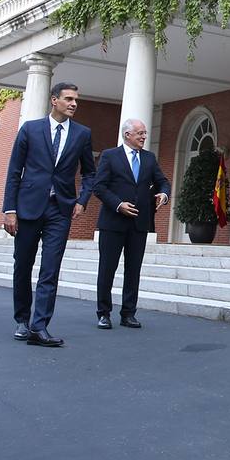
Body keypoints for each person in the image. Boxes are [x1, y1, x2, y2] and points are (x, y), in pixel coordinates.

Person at [2, 81, 95, 348]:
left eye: (76, 100)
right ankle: (22, 319)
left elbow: (90, 172)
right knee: (23, 265)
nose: (74, 103)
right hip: (28, 207)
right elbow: (14, 171)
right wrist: (10, 210)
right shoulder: (30, 129)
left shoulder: (82, 134)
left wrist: (82, 200)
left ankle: (39, 326)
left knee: (50, 269)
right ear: (54, 100)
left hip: (60, 209)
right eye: (68, 99)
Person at [92, 118, 169, 330]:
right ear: (127, 135)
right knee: (107, 268)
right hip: (113, 222)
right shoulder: (109, 156)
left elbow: (163, 181)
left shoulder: (149, 158)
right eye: (140, 133)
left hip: (139, 224)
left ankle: (128, 313)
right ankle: (104, 313)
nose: (144, 136)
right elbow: (99, 187)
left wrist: (163, 193)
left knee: (133, 270)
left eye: (144, 133)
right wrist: (118, 205)